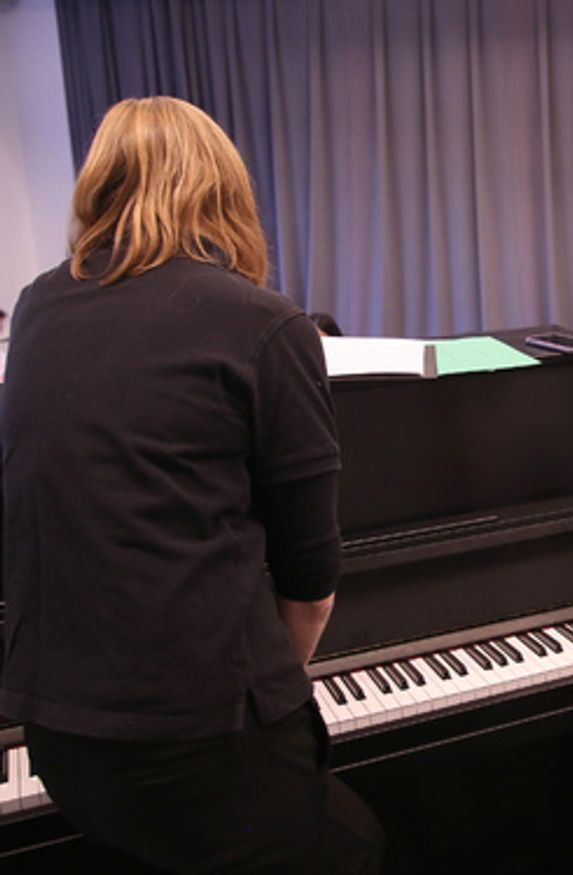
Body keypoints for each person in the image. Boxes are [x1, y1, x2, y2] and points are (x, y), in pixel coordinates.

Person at [0, 96, 382, 872]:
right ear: (221, 190)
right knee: (358, 846)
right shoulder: (263, 323)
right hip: (193, 738)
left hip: (61, 731)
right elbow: (310, 586)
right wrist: (269, 697)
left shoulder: (36, 307)